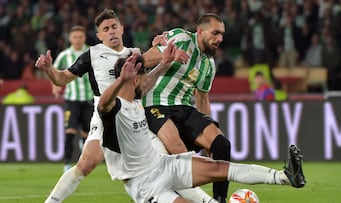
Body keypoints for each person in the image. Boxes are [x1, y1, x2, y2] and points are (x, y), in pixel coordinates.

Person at [36, 9, 215, 203]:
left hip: (134, 114)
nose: (111, 31)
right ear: (99, 35)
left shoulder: (136, 54)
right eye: (106, 29)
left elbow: (145, 84)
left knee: (163, 167)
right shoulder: (93, 54)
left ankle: (206, 201)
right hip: (106, 115)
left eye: (114, 27)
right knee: (86, 164)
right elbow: (62, 79)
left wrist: (164, 56)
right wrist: (49, 70)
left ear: (121, 29)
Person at [98, 50, 306, 203]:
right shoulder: (114, 107)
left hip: (163, 165)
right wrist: (120, 81)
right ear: (133, 80)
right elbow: (103, 104)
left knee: (219, 167)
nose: (147, 83)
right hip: (143, 184)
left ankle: (286, 177)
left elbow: (147, 82)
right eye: (141, 79)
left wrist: (163, 64)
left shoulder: (135, 99)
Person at [142, 13, 231, 202]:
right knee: (178, 151)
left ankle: (220, 199)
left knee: (221, 145)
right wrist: (168, 55)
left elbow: (202, 100)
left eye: (222, 34)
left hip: (183, 108)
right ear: (200, 31)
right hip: (156, 103)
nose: (220, 39)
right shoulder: (181, 39)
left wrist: (207, 129)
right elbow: (144, 60)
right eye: (215, 33)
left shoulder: (209, 64)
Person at [52, 25, 94, 172]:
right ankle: (67, 164)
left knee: (87, 134)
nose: (77, 40)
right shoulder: (65, 55)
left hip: (89, 99)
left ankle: (84, 161)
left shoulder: (92, 52)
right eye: (75, 37)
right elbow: (54, 71)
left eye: (80, 37)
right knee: (69, 131)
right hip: (71, 100)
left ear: (85, 38)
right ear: (70, 38)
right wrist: (55, 86)